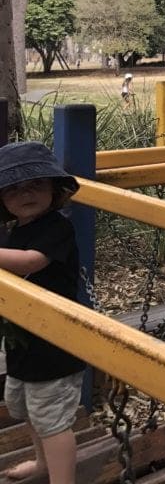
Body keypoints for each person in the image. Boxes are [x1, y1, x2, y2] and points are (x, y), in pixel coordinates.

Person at [0, 142, 84, 483]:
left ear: (54, 189)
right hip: (25, 340)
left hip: (55, 340)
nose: (26, 194)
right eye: (14, 188)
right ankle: (41, 463)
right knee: (27, 408)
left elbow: (31, 262)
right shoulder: (14, 231)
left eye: (35, 184)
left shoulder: (56, 228)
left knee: (52, 419)